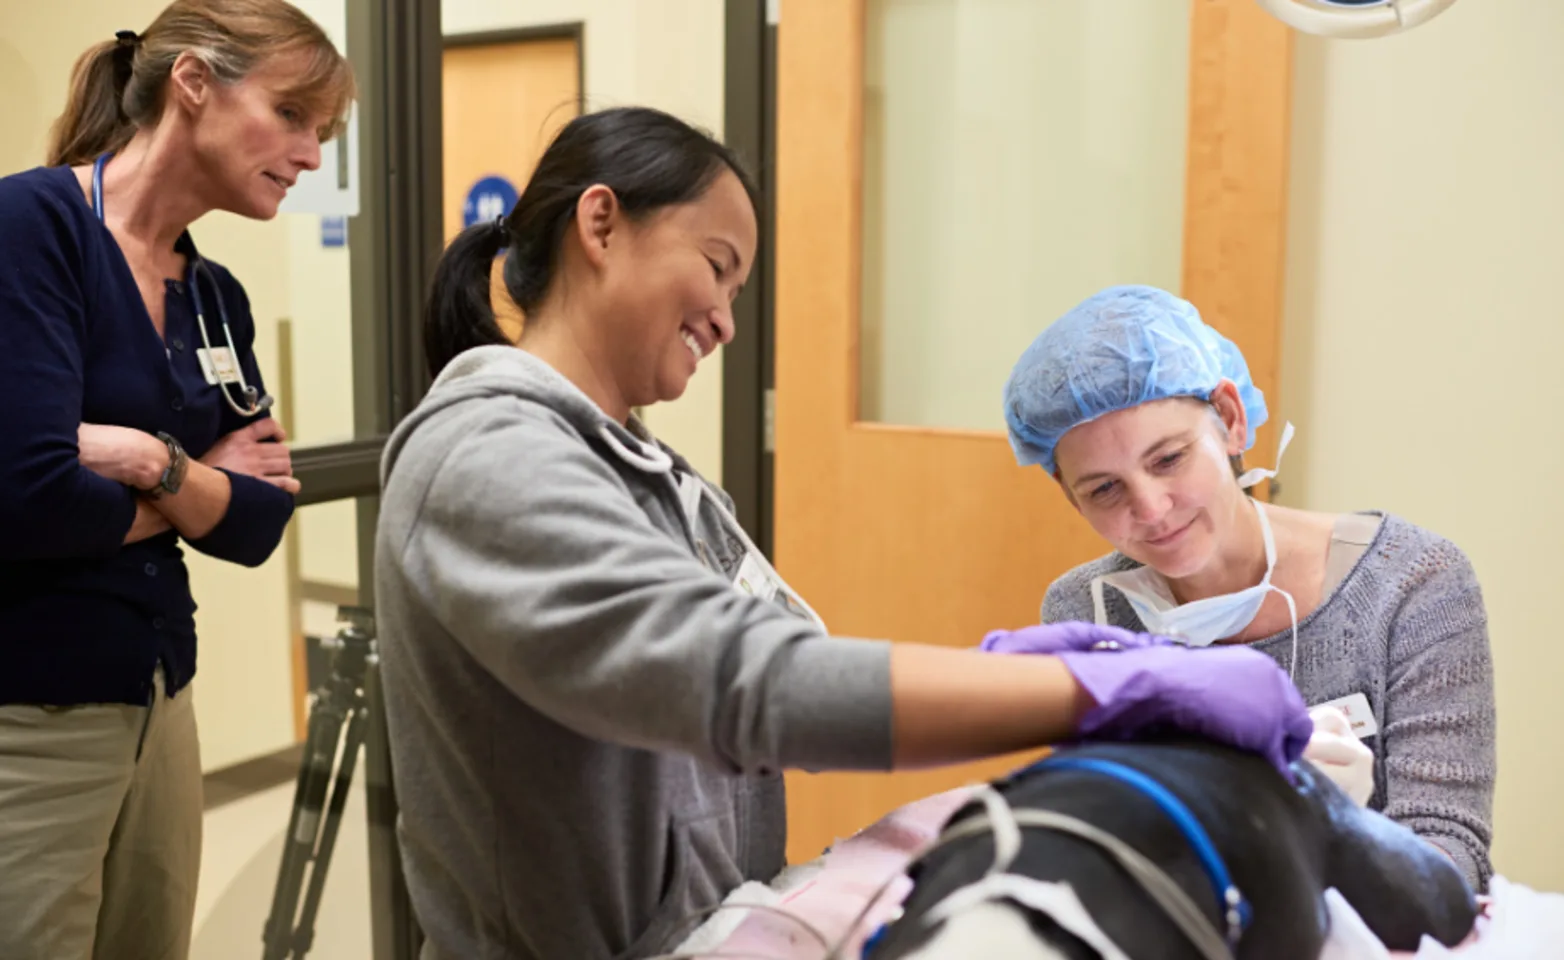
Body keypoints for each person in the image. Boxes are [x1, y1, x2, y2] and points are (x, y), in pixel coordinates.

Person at [375, 107, 1315, 960]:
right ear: (601, 224)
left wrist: (1027, 664)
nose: (726, 322)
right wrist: (1090, 691)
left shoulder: (659, 482)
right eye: (717, 267)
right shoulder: (481, 453)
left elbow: (796, 670)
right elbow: (753, 686)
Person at [0, 3, 353, 957]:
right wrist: (198, 483)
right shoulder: (31, 227)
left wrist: (149, 461)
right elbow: (31, 502)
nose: (312, 157)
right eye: (293, 117)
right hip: (33, 711)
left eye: (321, 133)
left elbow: (260, 522)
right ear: (193, 84)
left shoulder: (215, 295)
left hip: (163, 695)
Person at [994, 284, 1496, 889]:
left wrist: (1336, 837)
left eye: (1169, 459)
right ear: (1070, 498)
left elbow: (1453, 859)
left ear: (1231, 420)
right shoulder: (1085, 612)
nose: (1151, 509)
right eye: (1104, 489)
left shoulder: (1410, 586)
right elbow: (1102, 850)